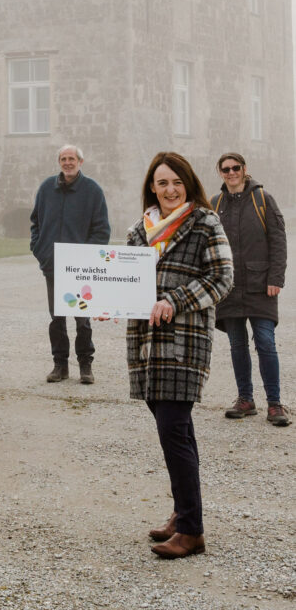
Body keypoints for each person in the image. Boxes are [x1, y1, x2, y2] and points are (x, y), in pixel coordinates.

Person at [123, 152, 232, 559]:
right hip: (145, 344)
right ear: (152, 186)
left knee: (173, 429)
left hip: (184, 340)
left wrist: (176, 299)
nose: (170, 190)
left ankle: (192, 532)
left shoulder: (205, 223)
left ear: (188, 184)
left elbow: (222, 277)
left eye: (177, 182)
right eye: (162, 182)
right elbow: (123, 281)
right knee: (177, 431)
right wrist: (107, 302)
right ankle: (183, 513)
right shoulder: (139, 230)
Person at [211, 153, 290, 426]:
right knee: (236, 345)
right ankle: (245, 399)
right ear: (220, 173)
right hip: (229, 287)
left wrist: (276, 278)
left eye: (236, 168)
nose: (231, 172)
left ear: (245, 170)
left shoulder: (263, 199)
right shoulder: (215, 204)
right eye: (226, 169)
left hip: (261, 286)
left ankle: (275, 404)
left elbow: (278, 240)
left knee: (266, 343)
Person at [30, 144, 110, 384]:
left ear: (80, 162)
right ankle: (60, 365)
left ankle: (85, 366)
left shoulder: (92, 190)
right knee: (57, 318)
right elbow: (35, 223)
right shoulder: (46, 188)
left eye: (71, 158)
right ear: (59, 162)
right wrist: (40, 249)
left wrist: (86, 259)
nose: (67, 162)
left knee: (82, 318)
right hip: (52, 265)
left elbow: (102, 229)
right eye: (63, 159)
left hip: (81, 269)